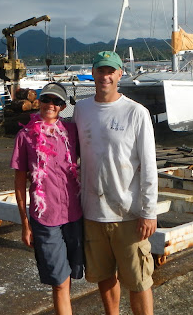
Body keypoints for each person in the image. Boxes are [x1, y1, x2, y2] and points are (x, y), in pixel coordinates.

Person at [73, 51, 158, 315]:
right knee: (104, 276)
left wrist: (149, 212)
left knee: (139, 281)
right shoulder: (81, 109)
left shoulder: (137, 112)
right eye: (101, 70)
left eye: (111, 71)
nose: (105, 76)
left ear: (120, 74)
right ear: (93, 72)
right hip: (92, 213)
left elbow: (149, 166)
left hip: (129, 215)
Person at [11, 82, 83, 315]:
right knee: (59, 280)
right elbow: (20, 182)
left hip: (74, 214)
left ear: (63, 107)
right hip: (45, 218)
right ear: (39, 102)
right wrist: (24, 223)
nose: (50, 105)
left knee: (73, 273)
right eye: (46, 100)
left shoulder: (72, 132)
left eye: (56, 102)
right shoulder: (25, 136)